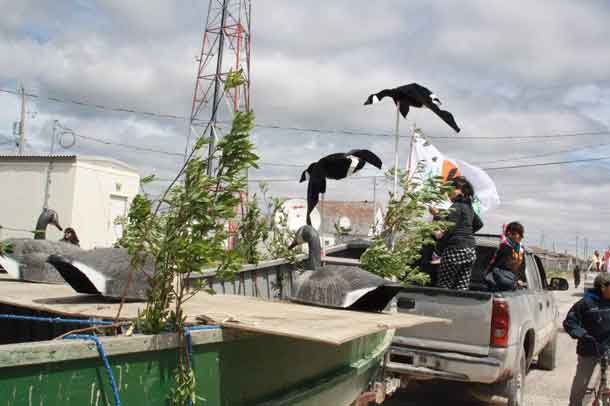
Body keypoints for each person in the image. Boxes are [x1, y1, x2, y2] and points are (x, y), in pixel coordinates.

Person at [564, 273, 610, 406]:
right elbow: (569, 322)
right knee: (581, 385)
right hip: (589, 350)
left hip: (607, 348)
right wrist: (583, 335)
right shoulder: (585, 304)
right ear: (603, 287)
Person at [436, 176, 483, 290]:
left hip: (455, 249)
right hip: (470, 251)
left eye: (449, 190)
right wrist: (466, 233)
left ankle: (442, 306)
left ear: (458, 190)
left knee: (444, 285)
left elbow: (449, 227)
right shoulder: (469, 207)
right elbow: (479, 224)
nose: (448, 194)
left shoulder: (456, 206)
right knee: (461, 286)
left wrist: (439, 238)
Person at [484, 222, 526, 291]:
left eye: (520, 234)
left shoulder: (521, 249)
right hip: (502, 283)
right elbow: (497, 264)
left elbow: (522, 267)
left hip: (514, 284)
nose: (520, 237)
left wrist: (520, 279)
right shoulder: (504, 247)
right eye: (514, 234)